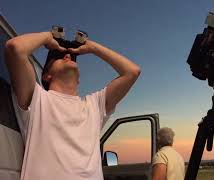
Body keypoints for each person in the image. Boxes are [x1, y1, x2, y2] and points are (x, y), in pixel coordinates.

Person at [4, 31, 140, 180]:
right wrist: (47, 37)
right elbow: (15, 47)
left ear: (79, 79)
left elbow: (132, 71)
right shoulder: (37, 98)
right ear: (46, 76)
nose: (68, 55)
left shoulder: (95, 105)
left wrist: (93, 48)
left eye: (71, 56)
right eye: (60, 57)